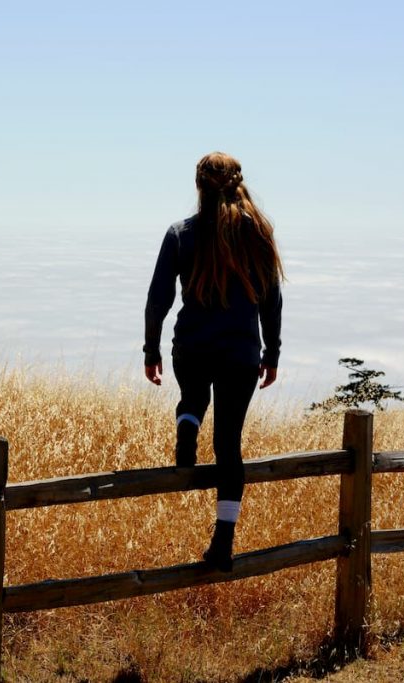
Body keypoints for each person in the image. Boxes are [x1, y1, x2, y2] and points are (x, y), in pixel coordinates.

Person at [143, 151, 284, 572]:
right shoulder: (258, 232)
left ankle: (187, 426)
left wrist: (151, 350)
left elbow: (158, 299)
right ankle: (223, 541)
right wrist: (272, 352)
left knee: (191, 397)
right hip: (241, 353)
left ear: (198, 186)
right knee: (228, 446)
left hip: (192, 346)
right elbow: (272, 300)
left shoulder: (180, 233)